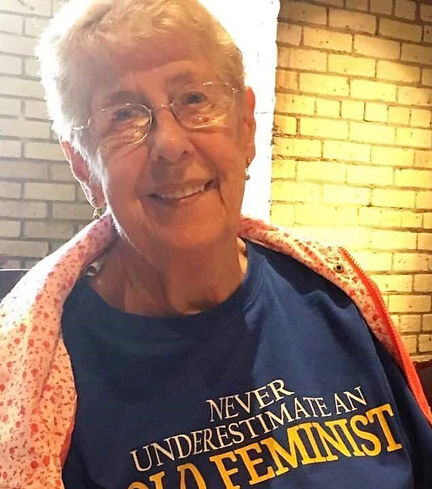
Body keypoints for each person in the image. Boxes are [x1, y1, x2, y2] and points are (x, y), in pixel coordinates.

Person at [0, 0, 432, 487]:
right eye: (122, 115)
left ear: (246, 126)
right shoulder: (41, 377)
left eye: (194, 99)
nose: (170, 144)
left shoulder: (335, 297)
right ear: (83, 166)